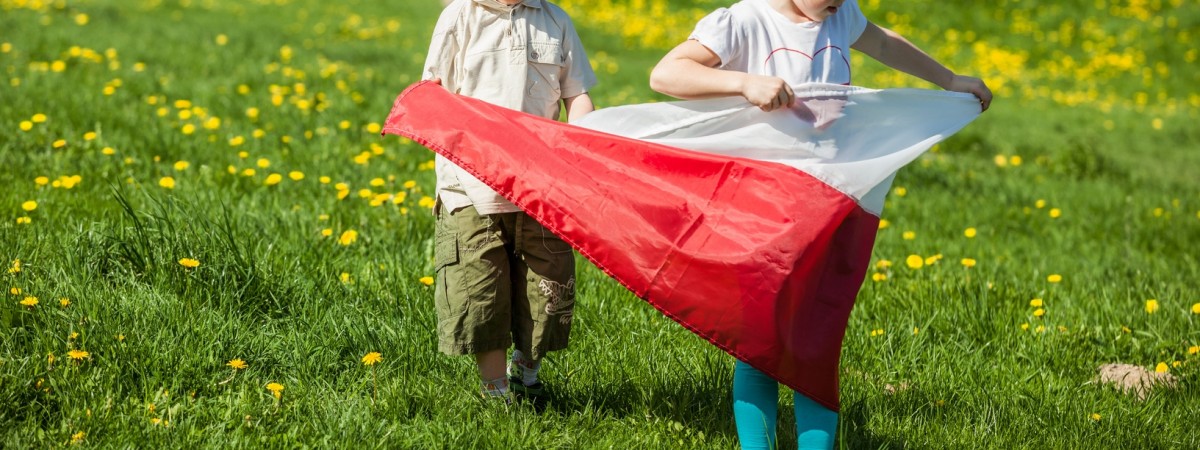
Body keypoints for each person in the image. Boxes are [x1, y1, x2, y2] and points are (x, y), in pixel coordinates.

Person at [648, 0, 991, 448]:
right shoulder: (745, 20)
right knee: (761, 336)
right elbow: (666, 74)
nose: (837, 2)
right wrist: (744, 83)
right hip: (764, 204)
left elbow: (884, 44)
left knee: (818, 334)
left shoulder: (839, 13)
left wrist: (948, 80)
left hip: (829, 201)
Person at [420, 0, 597, 403]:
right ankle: (495, 392)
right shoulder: (460, 16)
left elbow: (577, 94)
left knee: (548, 285)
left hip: (540, 186)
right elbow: (434, 94)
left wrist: (586, 142)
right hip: (469, 187)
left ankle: (527, 374)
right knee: (480, 288)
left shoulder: (555, 20)